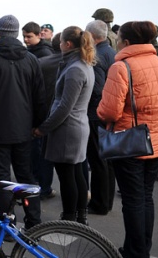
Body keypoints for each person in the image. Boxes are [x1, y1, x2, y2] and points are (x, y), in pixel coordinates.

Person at [97, 21, 158, 258]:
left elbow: (109, 112)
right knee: (145, 197)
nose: (116, 40)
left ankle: (134, 252)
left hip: (132, 143)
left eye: (118, 37)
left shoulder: (121, 67)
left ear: (127, 42)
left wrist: (100, 112)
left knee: (132, 200)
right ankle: (141, 249)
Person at [0, 14, 46, 230]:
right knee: (26, 174)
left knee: (2, 177)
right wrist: (38, 125)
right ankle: (34, 221)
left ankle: (6, 221)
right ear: (16, 33)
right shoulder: (31, 60)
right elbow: (40, 97)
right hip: (24, 129)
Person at [34, 26, 95, 225]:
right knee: (76, 172)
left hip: (68, 129)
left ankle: (70, 217)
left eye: (60, 42)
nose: (58, 46)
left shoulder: (75, 69)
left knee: (68, 176)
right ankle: (80, 216)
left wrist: (43, 128)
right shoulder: (82, 64)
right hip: (76, 126)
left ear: (68, 44)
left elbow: (63, 107)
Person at [84, 20, 117, 215]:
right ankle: (106, 201)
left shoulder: (96, 55)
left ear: (91, 35)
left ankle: (99, 203)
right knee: (107, 160)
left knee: (98, 161)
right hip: (108, 112)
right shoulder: (112, 53)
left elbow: (97, 88)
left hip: (96, 113)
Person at [36, 32, 63, 200]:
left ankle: (44, 187)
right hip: (67, 118)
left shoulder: (42, 63)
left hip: (44, 112)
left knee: (44, 154)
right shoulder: (78, 64)